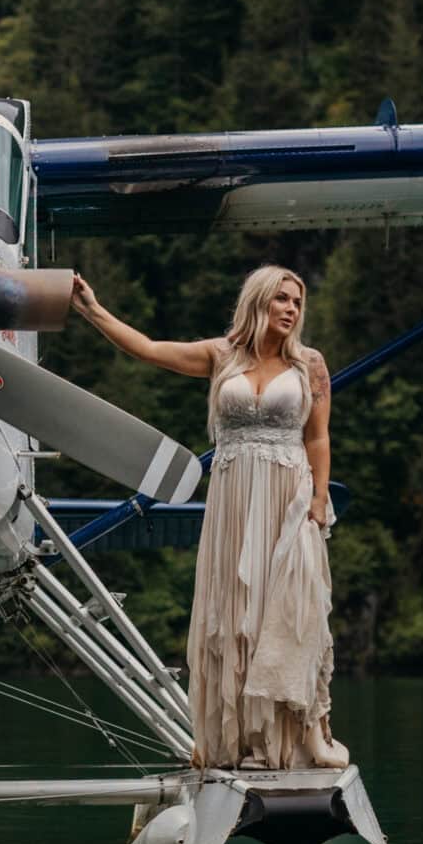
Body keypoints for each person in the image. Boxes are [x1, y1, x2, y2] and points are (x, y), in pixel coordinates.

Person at [70, 263, 349, 771]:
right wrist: (93, 311)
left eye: (297, 302)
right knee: (233, 611)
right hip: (233, 498)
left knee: (283, 608)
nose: (291, 309)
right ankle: (234, 744)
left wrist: (318, 499)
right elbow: (149, 349)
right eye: (282, 299)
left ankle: (288, 741)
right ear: (258, 300)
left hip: (288, 493)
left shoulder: (310, 364)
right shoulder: (220, 356)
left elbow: (318, 436)